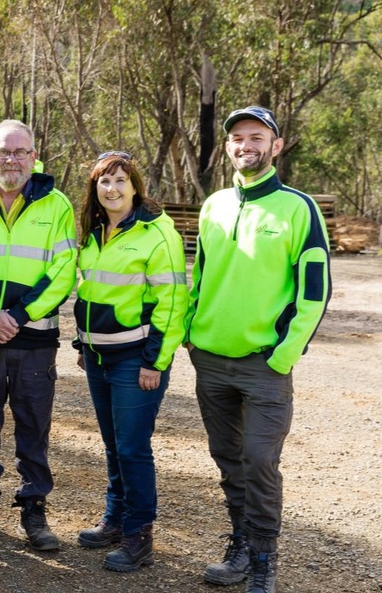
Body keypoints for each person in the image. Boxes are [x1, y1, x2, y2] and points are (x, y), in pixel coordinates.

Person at [186, 107, 331, 593]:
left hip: (264, 364)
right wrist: (190, 329)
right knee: (228, 457)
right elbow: (201, 277)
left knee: (259, 459)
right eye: (237, 138)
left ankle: (264, 562)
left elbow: (315, 292)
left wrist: (284, 354)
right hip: (209, 359)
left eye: (256, 137)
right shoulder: (213, 206)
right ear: (227, 146)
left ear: (277, 145)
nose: (245, 145)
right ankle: (241, 546)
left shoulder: (298, 208)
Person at [0, 120, 77, 551]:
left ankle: (33, 510)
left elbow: (63, 273)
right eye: (3, 152)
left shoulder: (57, 204)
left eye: (20, 152)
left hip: (35, 339)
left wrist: (18, 316)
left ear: (33, 155)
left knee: (33, 427)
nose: (11, 160)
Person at [74, 150, 188, 571]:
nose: (112, 188)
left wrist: (155, 362)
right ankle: (116, 519)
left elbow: (172, 303)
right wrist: (83, 342)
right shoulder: (94, 231)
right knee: (111, 444)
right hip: (98, 356)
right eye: (104, 181)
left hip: (135, 359)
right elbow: (90, 292)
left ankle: (139, 535)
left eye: (121, 180)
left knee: (132, 447)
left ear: (136, 186)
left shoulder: (157, 234)